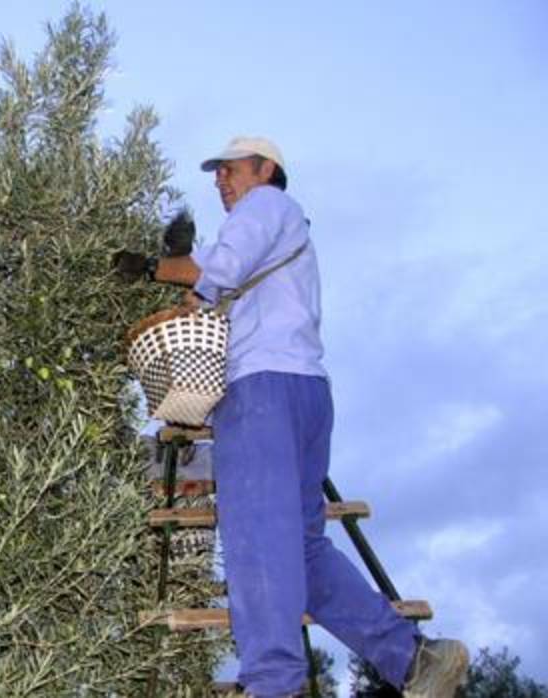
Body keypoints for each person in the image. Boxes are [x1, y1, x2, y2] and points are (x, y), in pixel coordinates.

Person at [114, 136, 468, 697]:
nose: (220, 181)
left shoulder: (265, 206)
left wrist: (176, 282)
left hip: (261, 394)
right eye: (217, 174)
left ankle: (270, 686)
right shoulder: (284, 228)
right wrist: (172, 278)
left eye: (230, 169)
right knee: (301, 550)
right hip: (306, 394)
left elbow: (218, 268)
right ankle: (414, 660)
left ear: (266, 168)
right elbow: (212, 276)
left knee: (256, 538)